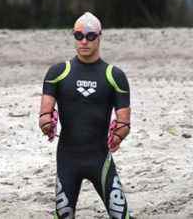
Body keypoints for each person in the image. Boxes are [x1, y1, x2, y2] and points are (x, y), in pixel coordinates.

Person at [38, 12, 133, 218]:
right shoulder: (58, 72)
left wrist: (118, 135)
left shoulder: (114, 76)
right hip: (67, 159)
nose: (84, 41)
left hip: (100, 158)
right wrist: (47, 123)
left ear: (99, 36)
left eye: (90, 36)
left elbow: (124, 122)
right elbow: (44, 115)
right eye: (78, 35)